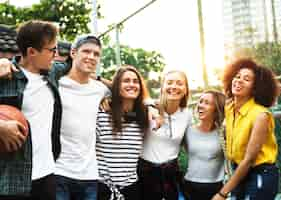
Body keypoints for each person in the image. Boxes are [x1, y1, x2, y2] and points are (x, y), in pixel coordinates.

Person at [0, 20, 62, 200]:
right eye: (52, 50)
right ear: (32, 52)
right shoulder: (6, 76)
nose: (56, 55)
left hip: (47, 175)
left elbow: (81, 69)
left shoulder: (52, 73)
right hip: (11, 180)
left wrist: (145, 100)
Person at [211, 58, 279, 200]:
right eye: (237, 76)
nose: (239, 81)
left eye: (246, 79)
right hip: (239, 170)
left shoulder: (261, 115)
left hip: (260, 172)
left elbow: (248, 160)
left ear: (256, 87)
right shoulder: (229, 107)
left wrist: (222, 193)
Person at [55, 35, 110, 200]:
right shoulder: (56, 83)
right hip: (59, 171)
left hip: (89, 175)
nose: (91, 57)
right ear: (73, 52)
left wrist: (151, 106)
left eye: (96, 54)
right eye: (86, 51)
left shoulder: (100, 90)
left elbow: (126, 91)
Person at [96, 65, 150, 200]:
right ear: (116, 86)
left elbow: (154, 103)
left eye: (135, 81)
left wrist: (153, 108)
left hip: (131, 189)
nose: (132, 84)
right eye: (126, 81)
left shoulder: (143, 116)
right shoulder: (102, 112)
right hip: (103, 188)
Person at [138, 70, 192, 200]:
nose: (174, 87)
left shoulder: (187, 114)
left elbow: (188, 143)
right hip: (145, 174)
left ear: (185, 90)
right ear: (162, 87)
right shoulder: (148, 106)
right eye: (169, 83)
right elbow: (119, 91)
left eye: (179, 83)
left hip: (171, 176)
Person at [182, 90, 225, 200]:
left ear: (216, 109)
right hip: (189, 186)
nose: (201, 105)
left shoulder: (224, 133)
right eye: (200, 101)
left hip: (216, 188)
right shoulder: (188, 130)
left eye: (207, 103)